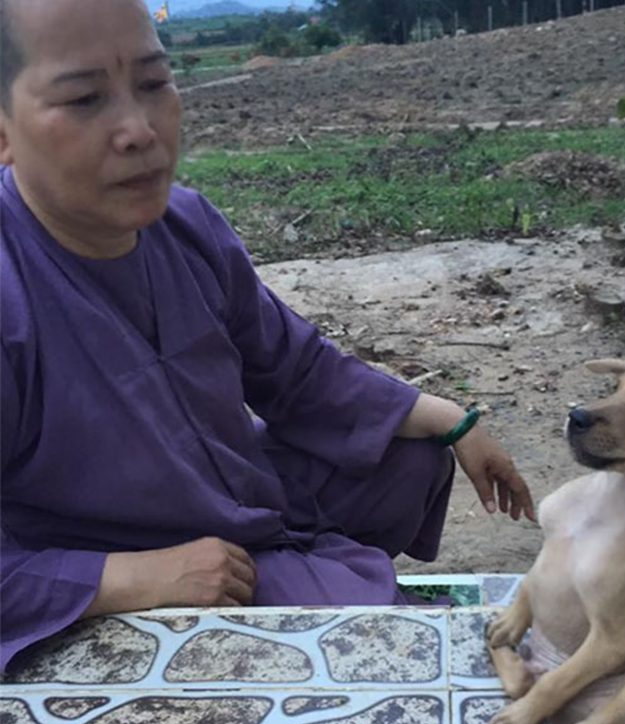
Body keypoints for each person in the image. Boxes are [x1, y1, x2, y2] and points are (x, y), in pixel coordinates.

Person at [0, 0, 534, 673]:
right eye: (83, 99)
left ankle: (300, 567)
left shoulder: (187, 223)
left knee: (409, 454)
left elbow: (296, 369)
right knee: (372, 648)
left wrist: (454, 421)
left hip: (239, 494)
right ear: (3, 132)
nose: (138, 130)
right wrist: (129, 580)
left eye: (154, 84)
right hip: (91, 553)